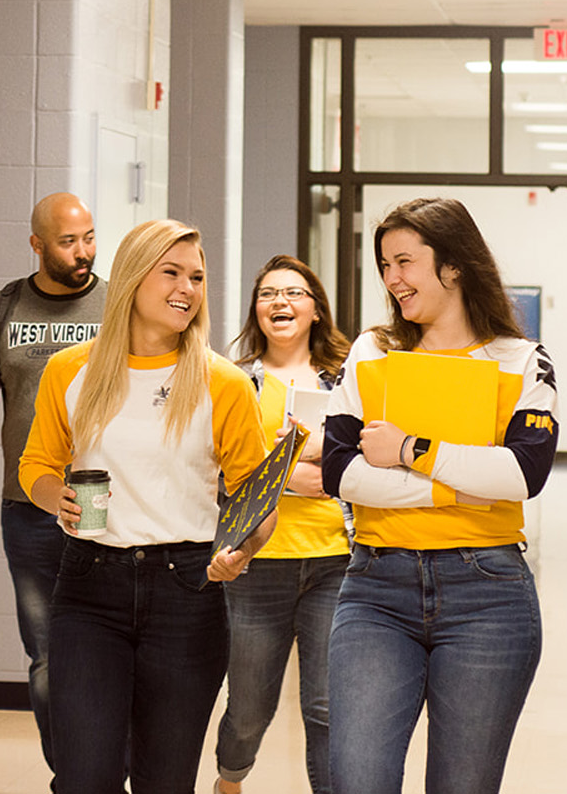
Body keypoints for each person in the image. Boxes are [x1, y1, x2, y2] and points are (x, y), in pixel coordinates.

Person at [18, 219, 277, 794]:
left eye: (198, 277)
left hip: (186, 592)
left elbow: (258, 503)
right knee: (86, 777)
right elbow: (35, 465)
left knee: (165, 781)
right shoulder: (70, 370)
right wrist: (51, 496)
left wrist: (242, 550)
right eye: (172, 273)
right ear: (134, 277)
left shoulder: (223, 383)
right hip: (89, 587)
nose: (187, 288)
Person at [321, 196, 559, 794]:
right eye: (384, 266)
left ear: (453, 265)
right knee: (357, 780)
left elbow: (521, 474)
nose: (392, 280)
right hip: (376, 588)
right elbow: (339, 472)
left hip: (488, 596)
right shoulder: (372, 352)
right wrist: (459, 491)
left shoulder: (522, 359)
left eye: (405, 262)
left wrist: (410, 450)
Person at [0, 192, 104, 774]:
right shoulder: (0, 311)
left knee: (112, 653)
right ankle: (72, 777)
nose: (83, 251)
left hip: (105, 504)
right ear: (37, 244)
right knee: (47, 658)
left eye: (89, 237)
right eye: (68, 241)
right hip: (30, 510)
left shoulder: (120, 305)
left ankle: (113, 773)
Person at [213, 256, 350, 794]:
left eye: (293, 293)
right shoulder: (235, 378)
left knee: (326, 708)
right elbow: (223, 467)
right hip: (256, 564)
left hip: (336, 560)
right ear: (256, 309)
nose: (280, 303)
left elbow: (372, 455)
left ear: (315, 308)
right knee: (248, 709)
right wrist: (293, 476)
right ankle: (230, 780)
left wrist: (328, 470)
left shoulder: (347, 379)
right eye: (268, 294)